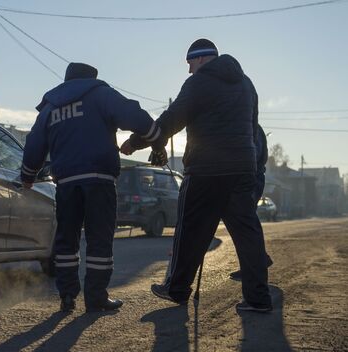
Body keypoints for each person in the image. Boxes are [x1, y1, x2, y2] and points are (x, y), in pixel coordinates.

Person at [121, 39, 273, 312]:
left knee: (190, 231)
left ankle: (177, 289)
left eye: (190, 63)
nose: (189, 70)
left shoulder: (199, 83)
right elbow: (253, 128)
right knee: (247, 233)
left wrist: (135, 142)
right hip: (242, 168)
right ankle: (259, 299)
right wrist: (249, 161)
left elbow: (171, 120)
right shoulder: (246, 84)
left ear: (201, 58)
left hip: (206, 169)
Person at [21, 62, 155, 313]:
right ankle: (96, 298)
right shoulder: (100, 95)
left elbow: (35, 142)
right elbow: (133, 115)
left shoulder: (51, 107)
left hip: (66, 182)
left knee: (66, 240)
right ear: (91, 78)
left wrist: (28, 174)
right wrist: (154, 135)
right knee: (99, 239)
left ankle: (67, 296)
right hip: (98, 178)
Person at [227, 124, 273, 281]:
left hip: (250, 179)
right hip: (248, 179)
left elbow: (253, 156)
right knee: (244, 225)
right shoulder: (249, 126)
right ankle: (256, 263)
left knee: (245, 224)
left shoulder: (252, 128)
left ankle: (256, 265)